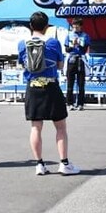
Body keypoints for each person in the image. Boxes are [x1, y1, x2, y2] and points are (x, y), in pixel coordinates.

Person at [18, 11, 80, 176]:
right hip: (51, 86)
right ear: (47, 26)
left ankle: (39, 164)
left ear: (30, 26)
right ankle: (64, 163)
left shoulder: (22, 43)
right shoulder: (53, 42)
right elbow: (59, 65)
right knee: (60, 127)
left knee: (35, 127)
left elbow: (22, 64)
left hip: (32, 87)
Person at [64, 18, 91, 111]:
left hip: (80, 60)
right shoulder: (69, 35)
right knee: (70, 83)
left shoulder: (85, 36)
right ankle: (70, 103)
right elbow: (67, 49)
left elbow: (85, 50)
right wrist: (72, 45)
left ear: (81, 26)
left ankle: (80, 103)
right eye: (74, 26)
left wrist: (79, 43)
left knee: (81, 84)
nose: (75, 28)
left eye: (77, 26)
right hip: (71, 60)